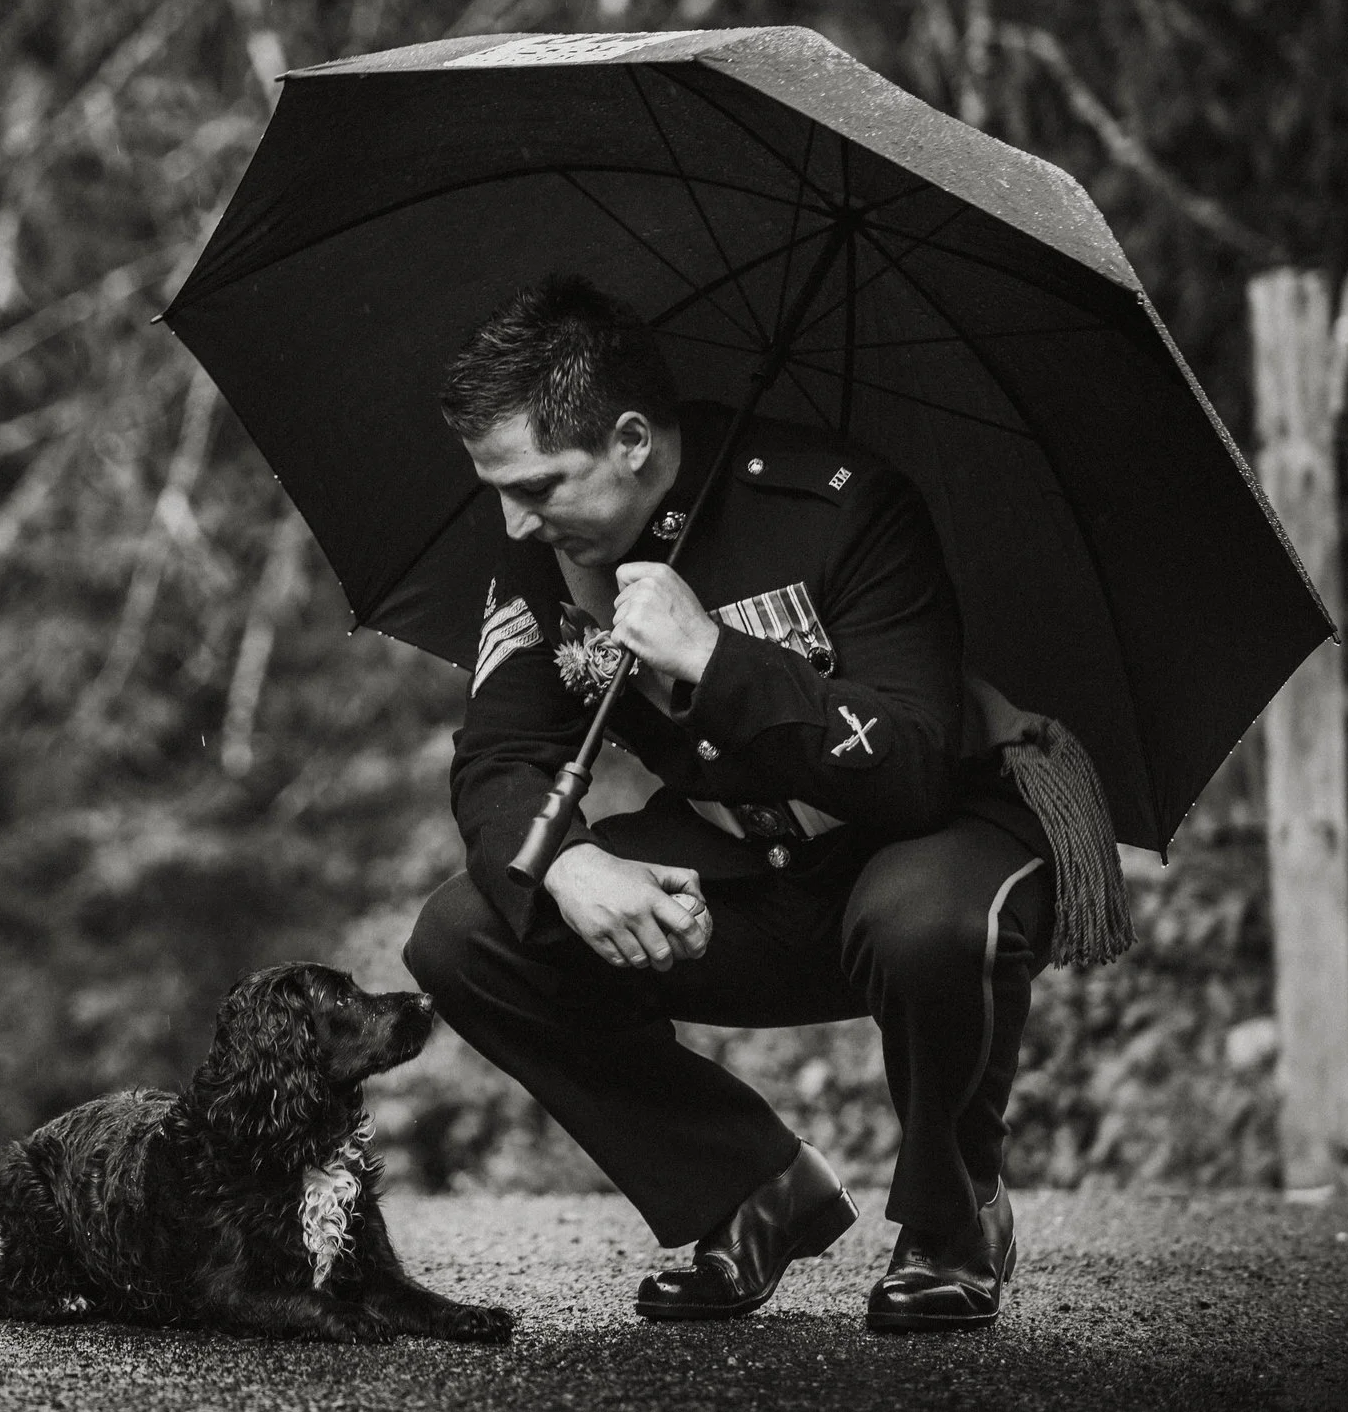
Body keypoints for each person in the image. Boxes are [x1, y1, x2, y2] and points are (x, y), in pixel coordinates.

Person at [401, 273, 1056, 1331]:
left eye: (536, 484)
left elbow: (915, 765)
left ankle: (953, 1212)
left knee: (929, 921)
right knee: (467, 931)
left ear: (626, 440)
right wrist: (569, 863)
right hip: (747, 865)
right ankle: (750, 1189)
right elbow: (496, 761)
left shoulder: (845, 504)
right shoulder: (548, 555)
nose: (513, 522)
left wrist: (715, 658)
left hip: (922, 840)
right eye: (498, 489)